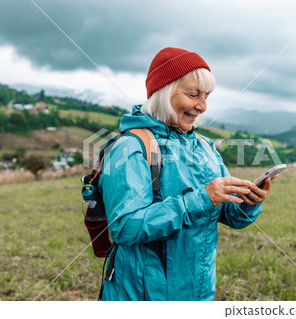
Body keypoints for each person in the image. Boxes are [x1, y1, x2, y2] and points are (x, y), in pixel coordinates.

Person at [99, 47, 272, 301]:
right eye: (193, 94)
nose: (202, 106)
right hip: (144, 296)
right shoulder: (131, 147)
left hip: (199, 292)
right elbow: (125, 227)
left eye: (206, 96)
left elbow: (230, 216)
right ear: (163, 93)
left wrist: (249, 203)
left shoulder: (205, 147)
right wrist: (201, 199)